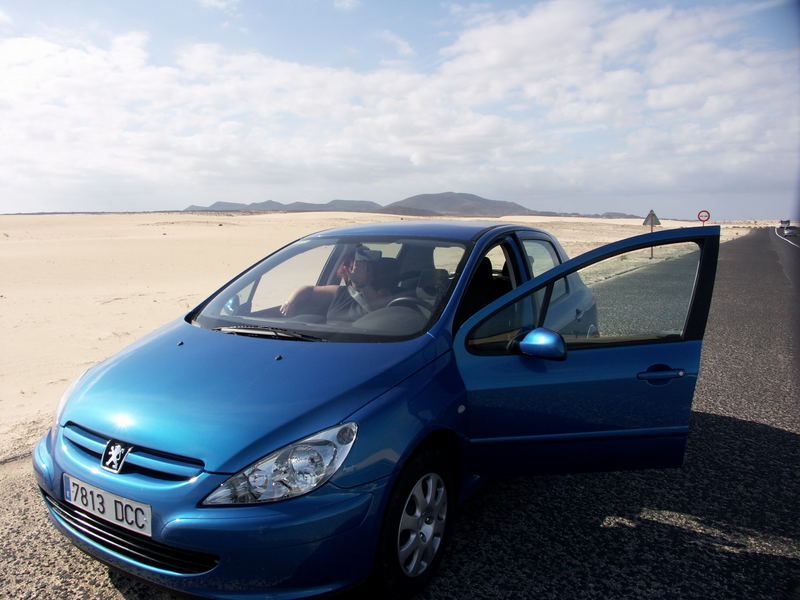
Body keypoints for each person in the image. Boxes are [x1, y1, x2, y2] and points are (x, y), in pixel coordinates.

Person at [280, 246, 399, 322]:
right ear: (346, 270)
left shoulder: (383, 293)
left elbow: (378, 308)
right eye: (353, 267)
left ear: (372, 272)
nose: (356, 271)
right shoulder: (339, 292)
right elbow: (308, 290)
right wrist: (290, 302)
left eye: (364, 268)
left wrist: (363, 285)